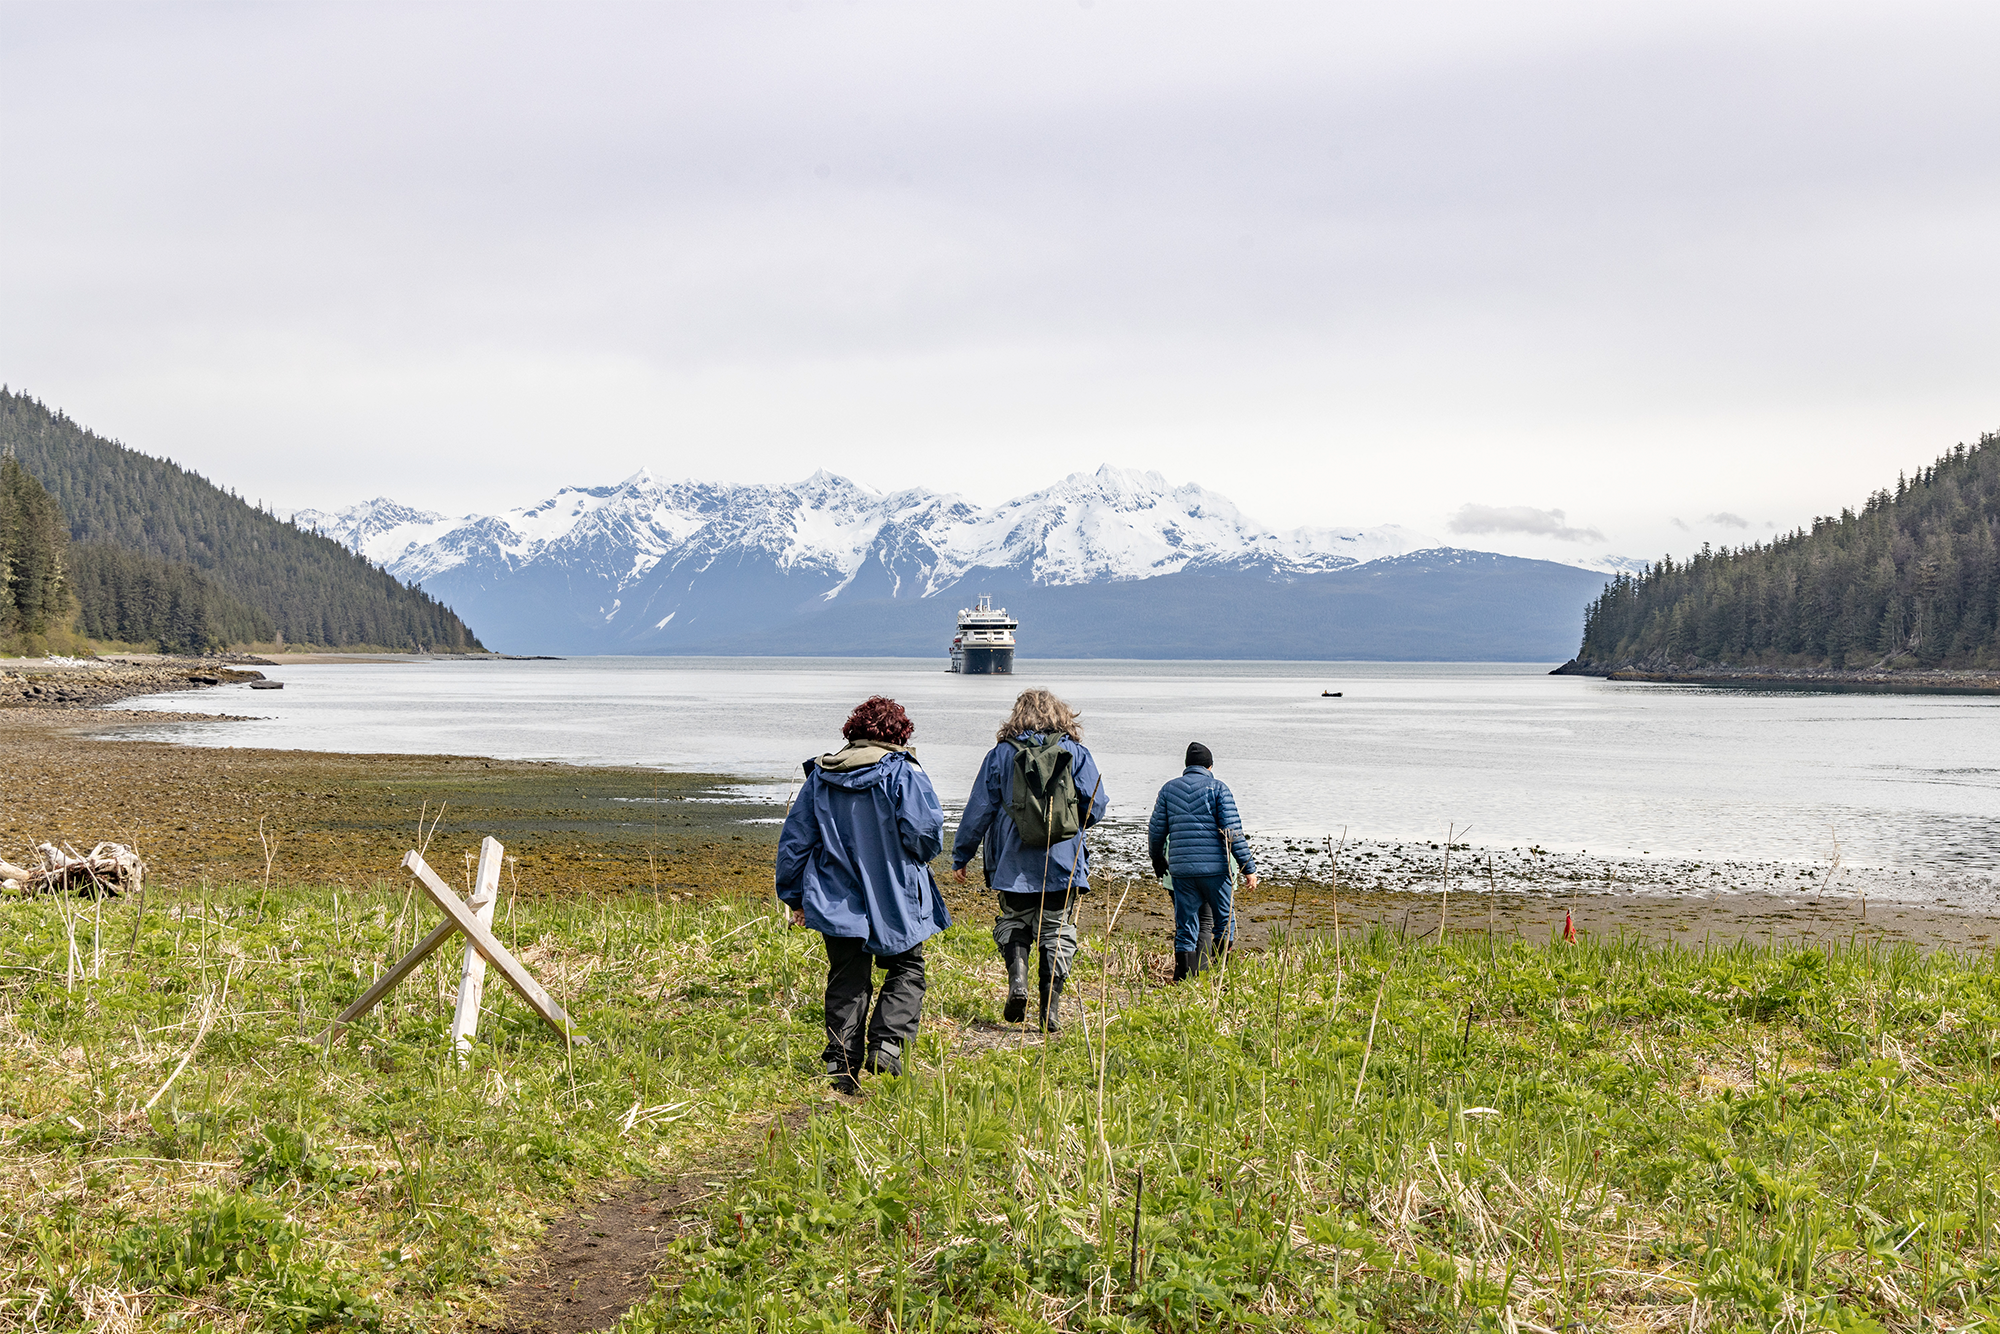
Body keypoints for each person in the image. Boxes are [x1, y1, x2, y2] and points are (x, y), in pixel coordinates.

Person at [777, 695, 948, 1096]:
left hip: (835, 897)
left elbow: (795, 842)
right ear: (900, 734)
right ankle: (887, 1044)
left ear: (852, 732)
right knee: (907, 967)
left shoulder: (821, 776)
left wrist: (794, 895)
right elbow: (925, 835)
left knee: (847, 978)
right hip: (894, 893)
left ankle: (841, 1064)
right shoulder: (905, 773)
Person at [951, 688, 1108, 1032]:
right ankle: (1049, 1013)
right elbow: (1096, 804)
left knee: (1015, 922)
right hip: (1063, 862)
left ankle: (1018, 982)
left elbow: (979, 808)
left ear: (1017, 715)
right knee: (1057, 931)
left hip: (1011, 860)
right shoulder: (1076, 753)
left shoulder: (1001, 755)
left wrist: (962, 854)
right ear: (1061, 716)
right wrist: (1068, 826)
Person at [1149, 742, 1258, 980]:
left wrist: (1158, 860)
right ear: (1210, 766)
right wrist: (1248, 867)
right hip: (1216, 871)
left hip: (1181, 870)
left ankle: (1184, 979)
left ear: (1187, 765)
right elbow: (1233, 832)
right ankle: (1217, 976)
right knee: (1224, 921)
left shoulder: (1169, 789)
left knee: (1186, 925)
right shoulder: (1218, 788)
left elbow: (1156, 830)